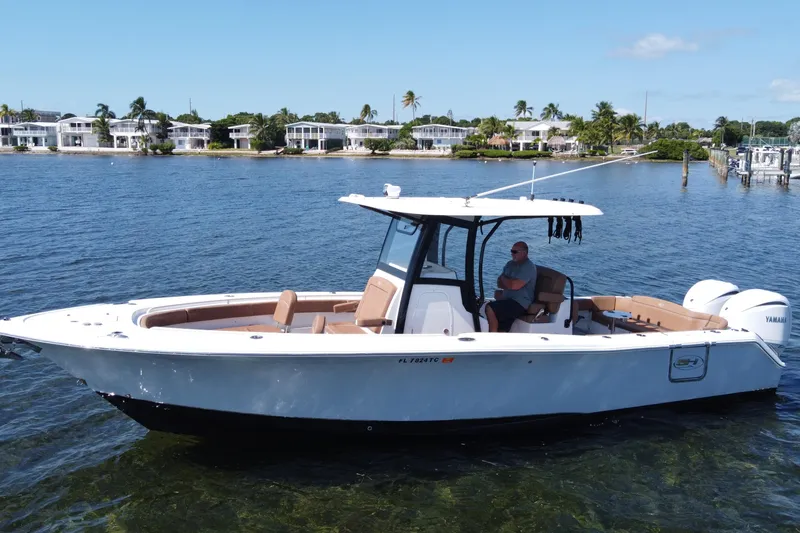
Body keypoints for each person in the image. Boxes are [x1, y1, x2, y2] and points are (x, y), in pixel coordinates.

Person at [486, 241, 537, 332]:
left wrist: (505, 279)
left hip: (520, 303)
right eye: (511, 251)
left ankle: (492, 338)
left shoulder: (528, 267)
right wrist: (508, 282)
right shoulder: (510, 264)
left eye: (514, 252)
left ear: (524, 253)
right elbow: (499, 283)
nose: (512, 254)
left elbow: (515, 286)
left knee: (490, 308)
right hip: (508, 300)